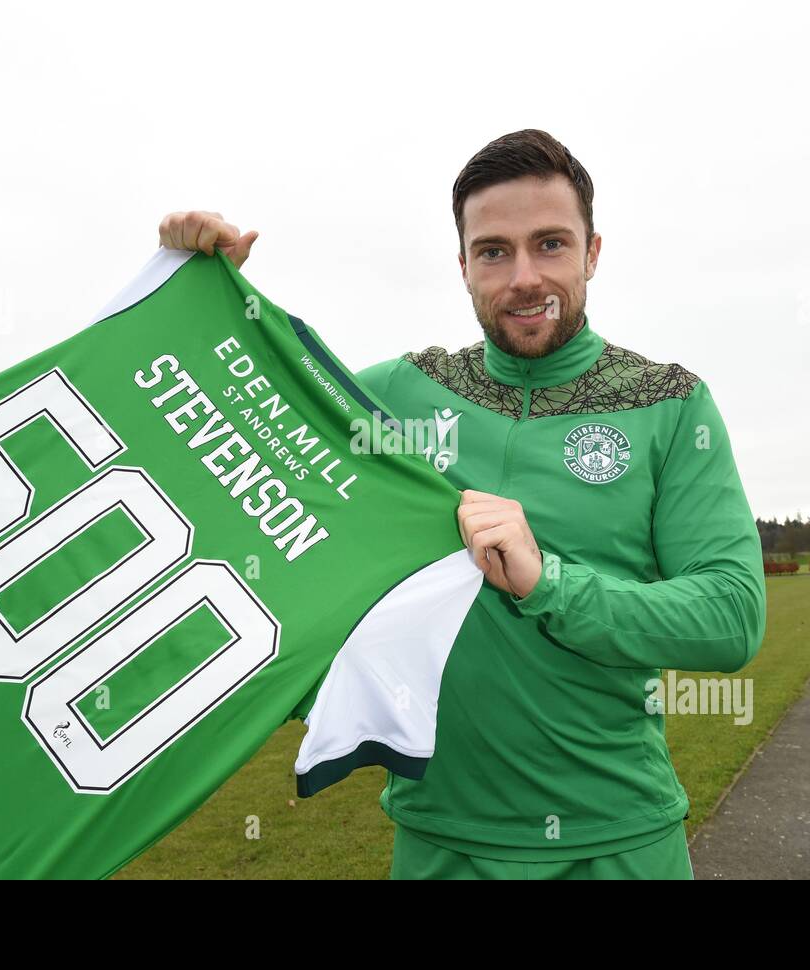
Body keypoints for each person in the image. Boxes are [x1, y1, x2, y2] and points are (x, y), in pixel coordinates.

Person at [156, 128, 766, 880]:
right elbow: (228, 439)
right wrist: (202, 292)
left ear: (593, 253)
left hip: (618, 843)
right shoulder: (400, 395)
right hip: (441, 844)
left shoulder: (669, 404)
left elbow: (731, 616)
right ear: (463, 266)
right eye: (494, 251)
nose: (523, 277)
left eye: (550, 244)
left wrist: (549, 584)